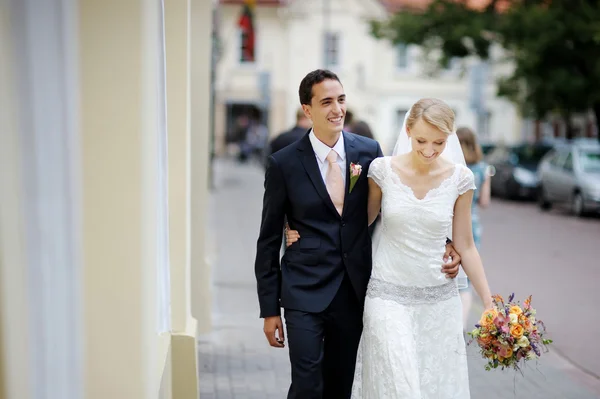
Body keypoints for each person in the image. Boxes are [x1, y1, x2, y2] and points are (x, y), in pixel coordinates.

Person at [254, 70, 462, 399]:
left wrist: (446, 242)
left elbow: (399, 207)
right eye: (326, 102)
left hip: (354, 290)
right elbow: (266, 241)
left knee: (341, 384)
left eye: (340, 100)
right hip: (303, 290)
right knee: (308, 383)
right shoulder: (284, 164)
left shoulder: (368, 152)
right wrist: (268, 310)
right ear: (307, 110)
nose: (337, 109)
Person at [286, 98, 494, 398]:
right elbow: (356, 224)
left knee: (434, 388)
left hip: (438, 302)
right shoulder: (382, 171)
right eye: (421, 140)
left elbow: (467, 245)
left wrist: (488, 304)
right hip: (387, 296)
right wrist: (296, 228)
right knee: (399, 388)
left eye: (438, 142)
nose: (429, 150)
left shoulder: (461, 179)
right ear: (408, 130)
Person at [456, 126, 492, 329]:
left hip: (453, 223)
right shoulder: (482, 167)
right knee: (467, 278)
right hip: (473, 222)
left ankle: (454, 323)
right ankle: (460, 325)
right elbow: (485, 201)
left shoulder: (454, 166)